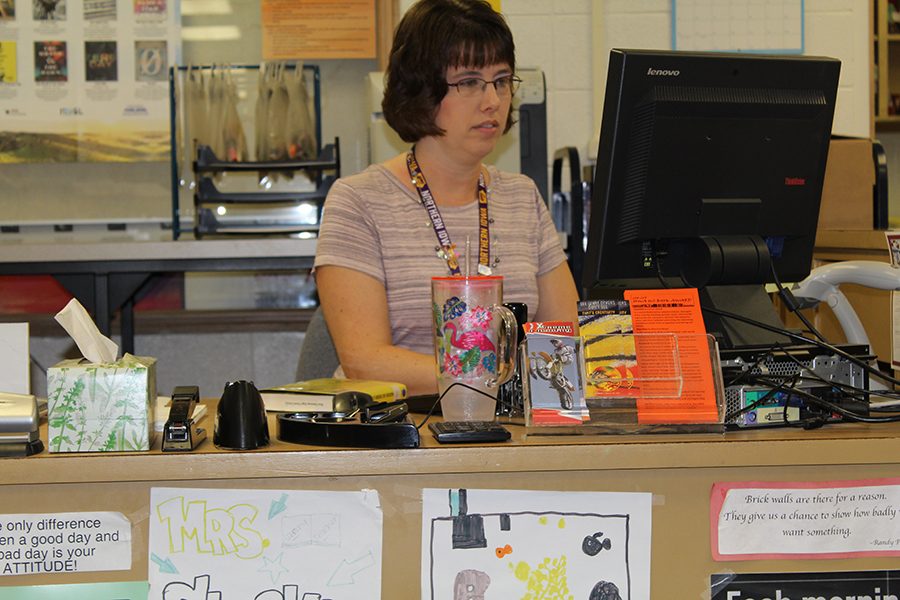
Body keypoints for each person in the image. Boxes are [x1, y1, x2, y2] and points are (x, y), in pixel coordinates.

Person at [313, 0, 579, 395]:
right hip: (402, 433)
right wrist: (505, 377)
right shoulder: (358, 202)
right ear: (420, 90)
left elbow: (566, 341)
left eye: (501, 80)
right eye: (469, 82)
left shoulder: (522, 197)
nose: (492, 101)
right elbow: (364, 360)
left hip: (512, 434)